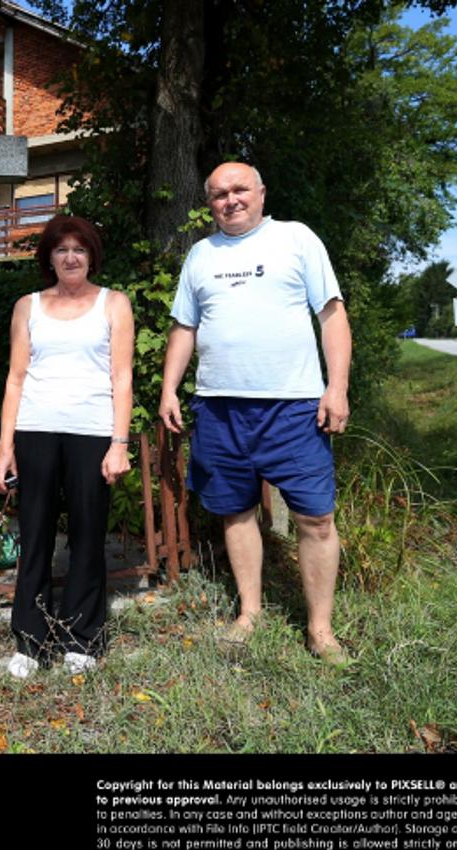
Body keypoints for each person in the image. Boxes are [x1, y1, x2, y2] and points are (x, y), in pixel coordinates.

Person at [159, 162, 352, 665]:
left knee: (316, 517)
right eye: (219, 194)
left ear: (261, 193)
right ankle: (249, 613)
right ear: (210, 203)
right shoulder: (200, 255)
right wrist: (169, 389)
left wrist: (338, 387)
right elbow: (184, 327)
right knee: (235, 511)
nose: (230, 200)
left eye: (240, 189)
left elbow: (331, 314)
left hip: (294, 407)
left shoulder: (296, 239)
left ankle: (320, 630)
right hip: (220, 408)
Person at [0, 215, 134, 678]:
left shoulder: (114, 304)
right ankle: (30, 643)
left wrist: (119, 443)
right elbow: (14, 378)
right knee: (35, 536)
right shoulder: (27, 306)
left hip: (92, 432)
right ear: (48, 257)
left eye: (79, 249)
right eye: (61, 249)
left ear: (91, 255)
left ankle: (82, 639)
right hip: (35, 431)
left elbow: (121, 377)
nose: (70, 257)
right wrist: (4, 447)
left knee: (89, 536)